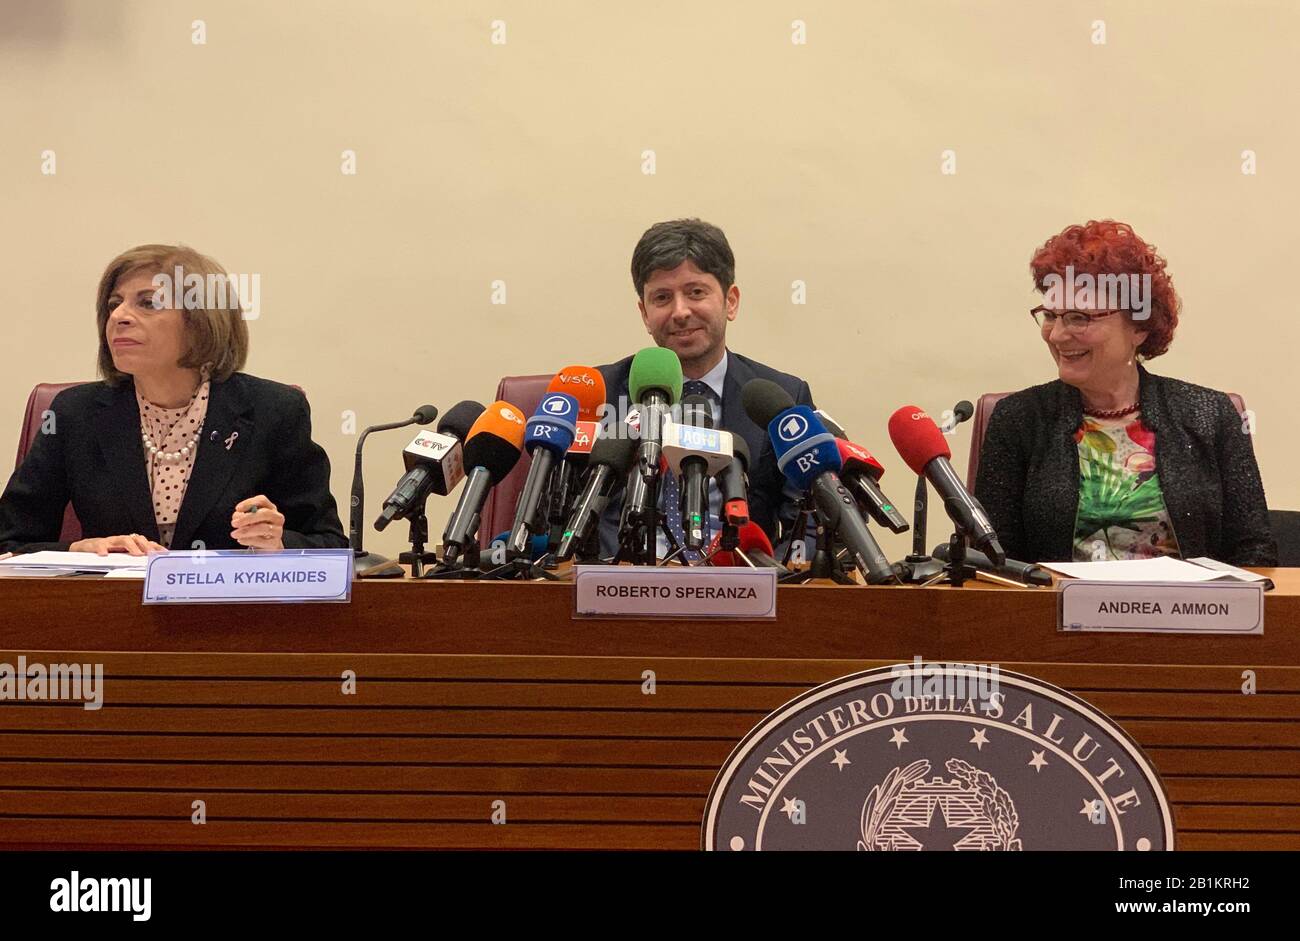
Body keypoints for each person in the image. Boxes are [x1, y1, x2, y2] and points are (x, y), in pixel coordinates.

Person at [0, 244, 347, 555]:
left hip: (232, 618)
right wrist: (79, 548)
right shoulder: (74, 413)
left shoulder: (274, 411)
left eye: (148, 303)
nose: (118, 317)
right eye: (113, 304)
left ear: (202, 322)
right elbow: (8, 542)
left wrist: (278, 541)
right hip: (110, 615)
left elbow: (329, 544)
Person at [974, 220, 1275, 565]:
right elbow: (992, 563)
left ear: (1140, 327)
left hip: (1190, 615)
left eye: (1078, 318)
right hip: (1056, 617)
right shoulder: (1018, 419)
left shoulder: (1211, 414)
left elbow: (1255, 553)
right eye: (1050, 316)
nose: (1057, 335)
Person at [595, 219, 814, 558]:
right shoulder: (602, 393)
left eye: (696, 292)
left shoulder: (781, 396)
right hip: (619, 592)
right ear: (644, 312)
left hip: (739, 595)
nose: (680, 312)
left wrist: (767, 583)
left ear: (731, 301)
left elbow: (808, 524)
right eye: (662, 297)